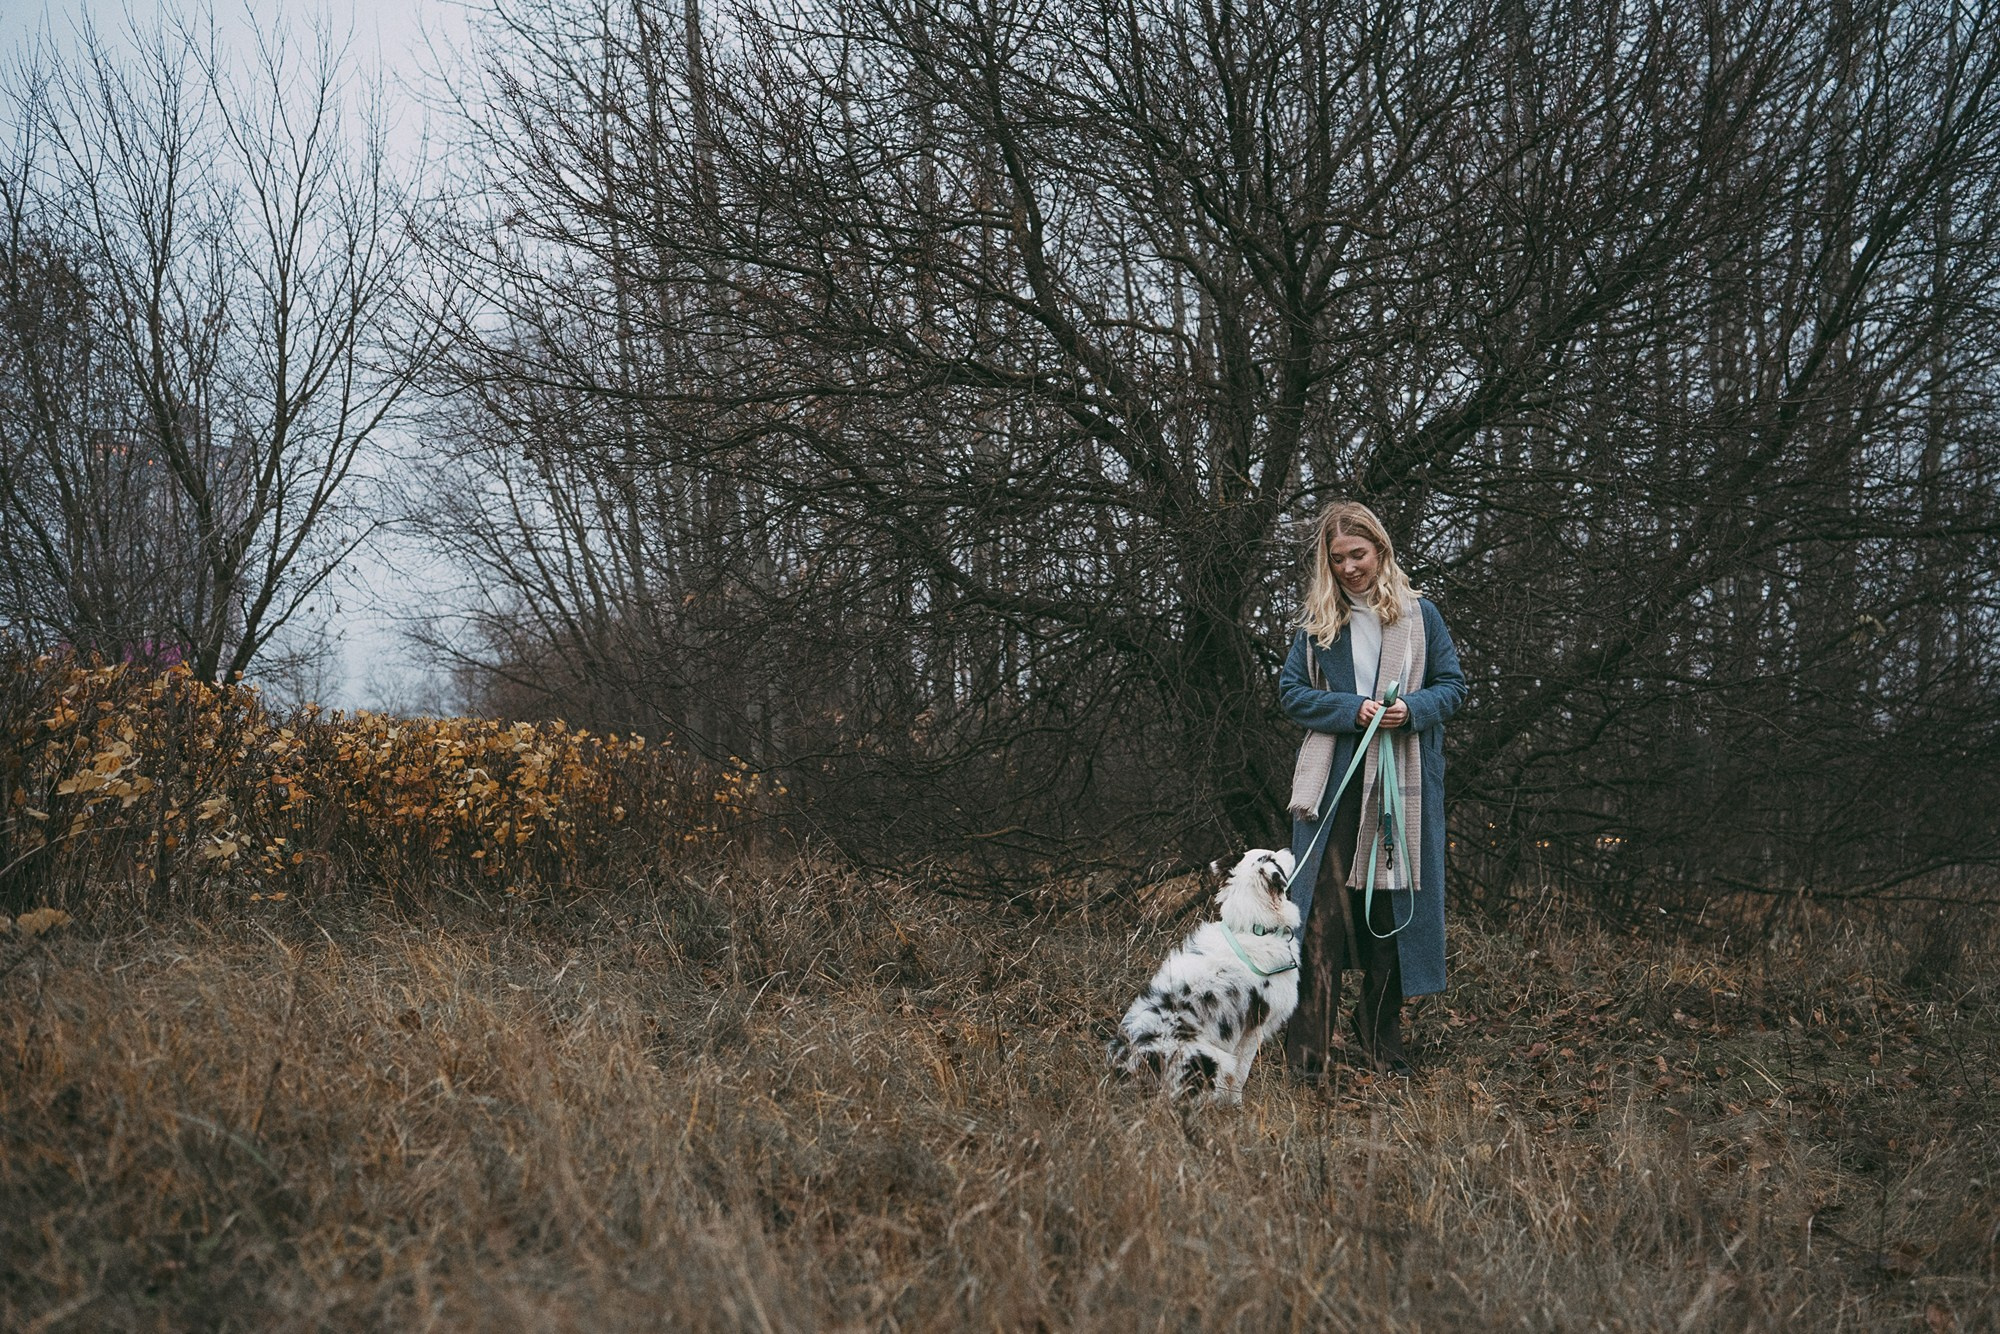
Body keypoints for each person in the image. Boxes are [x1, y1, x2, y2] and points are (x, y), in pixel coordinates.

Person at [1278, 501, 1466, 1078]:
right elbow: (1290, 694)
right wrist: (1347, 709)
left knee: (1392, 916)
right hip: (1334, 788)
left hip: (1401, 784)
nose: (1348, 568)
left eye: (1357, 555)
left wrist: (1409, 709)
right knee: (1321, 919)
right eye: (1337, 559)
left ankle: (1382, 1043)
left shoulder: (1420, 616)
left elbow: (1453, 688)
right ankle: (1308, 1055)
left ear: (1380, 551)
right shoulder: (1317, 625)